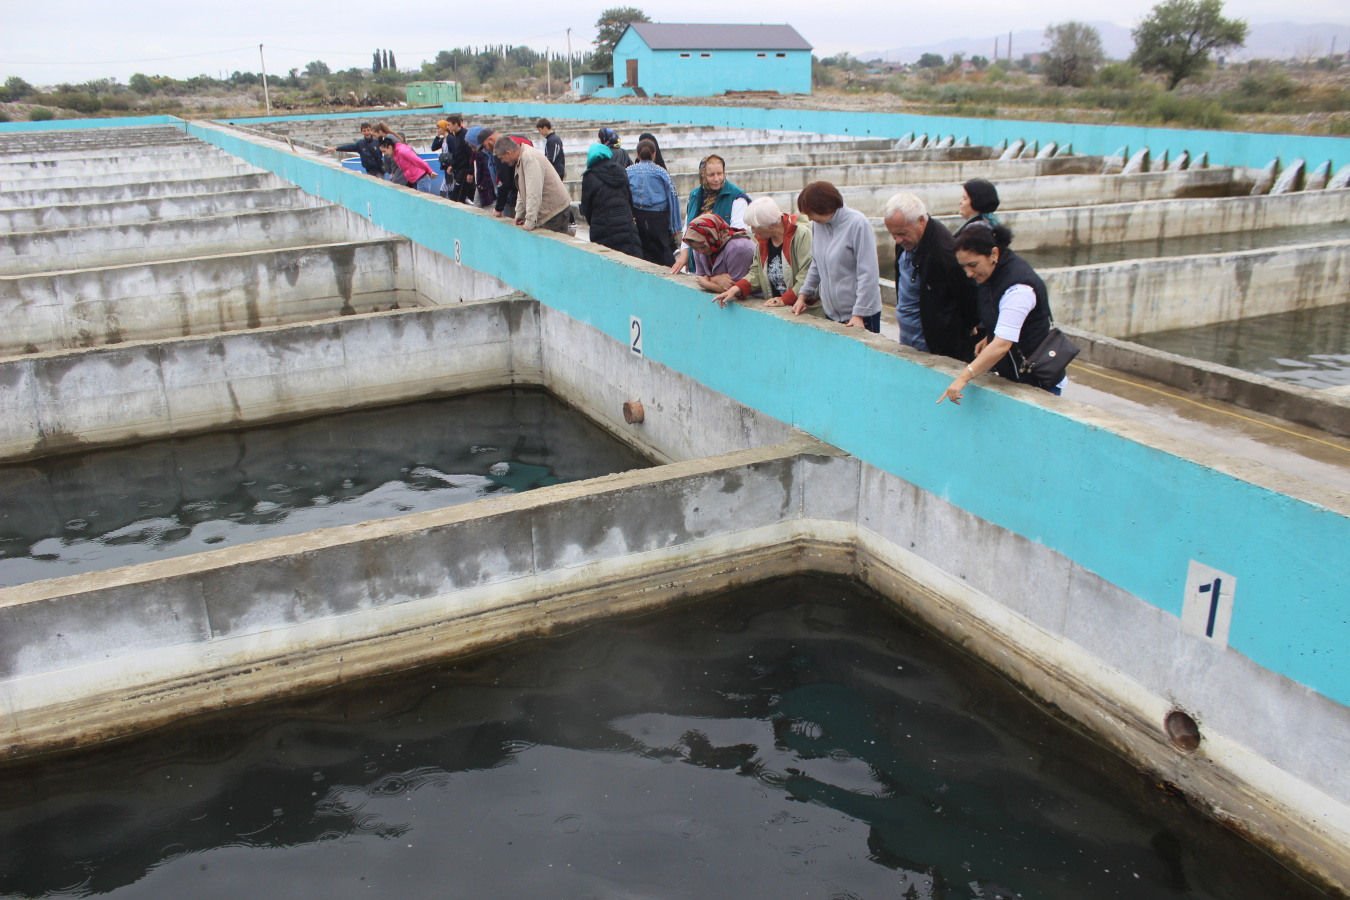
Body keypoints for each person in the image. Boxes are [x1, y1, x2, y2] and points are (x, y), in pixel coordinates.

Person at [939, 223, 1063, 404]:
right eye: (964, 267)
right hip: (1016, 374)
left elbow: (1002, 345)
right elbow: (998, 314)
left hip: (1038, 381)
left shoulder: (1018, 287)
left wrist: (963, 378)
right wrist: (989, 336)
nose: (968, 273)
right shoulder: (991, 274)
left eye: (972, 265)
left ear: (994, 254)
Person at [883, 192, 979, 361]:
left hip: (934, 350)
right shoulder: (907, 242)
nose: (897, 240)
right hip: (909, 342)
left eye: (902, 233)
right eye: (893, 234)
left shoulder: (945, 254)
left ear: (921, 220)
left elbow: (971, 299)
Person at [795, 182, 882, 332]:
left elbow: (868, 273)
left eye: (811, 213)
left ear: (825, 206)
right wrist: (803, 295)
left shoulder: (858, 224)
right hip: (831, 314)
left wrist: (859, 313)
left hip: (860, 316)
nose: (809, 219)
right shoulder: (818, 225)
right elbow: (816, 264)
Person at [712, 197, 812, 310]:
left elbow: (807, 275)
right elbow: (756, 272)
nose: (753, 230)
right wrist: (736, 289)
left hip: (805, 308)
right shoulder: (763, 239)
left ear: (770, 225)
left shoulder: (802, 235)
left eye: (755, 226)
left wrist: (785, 299)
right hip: (778, 307)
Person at [669, 155, 750, 274]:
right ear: (703, 175)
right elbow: (688, 228)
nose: (717, 179)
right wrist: (685, 253)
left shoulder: (736, 198)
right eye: (711, 175)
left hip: (723, 267)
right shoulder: (695, 196)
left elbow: (738, 236)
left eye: (720, 173)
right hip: (696, 265)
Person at [493, 136, 572, 233]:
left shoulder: (529, 158)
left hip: (554, 213)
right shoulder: (521, 157)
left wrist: (530, 221)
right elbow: (523, 190)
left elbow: (533, 191)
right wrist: (519, 215)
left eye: (501, 158)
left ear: (508, 152)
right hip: (549, 211)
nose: (502, 161)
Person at [579, 143, 643, 259]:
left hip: (602, 230)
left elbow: (586, 207)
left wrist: (595, 223)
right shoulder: (621, 171)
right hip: (627, 227)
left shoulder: (589, 176)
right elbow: (629, 200)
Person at [626, 139, 681, 266]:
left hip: (635, 217)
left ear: (638, 155)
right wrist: (675, 227)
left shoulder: (628, 171)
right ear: (654, 154)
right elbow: (673, 196)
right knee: (661, 255)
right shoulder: (662, 172)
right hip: (658, 220)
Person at [683, 213, 755, 293]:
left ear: (712, 236)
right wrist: (716, 279)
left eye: (703, 247)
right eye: (695, 247)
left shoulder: (738, 249)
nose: (701, 251)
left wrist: (707, 283)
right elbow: (700, 277)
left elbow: (737, 291)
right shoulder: (699, 245)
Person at [433, 115, 474, 202]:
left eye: (449, 125)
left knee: (458, 196)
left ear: (456, 124)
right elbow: (456, 154)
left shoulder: (464, 136)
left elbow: (470, 154)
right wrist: (453, 166)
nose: (447, 127)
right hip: (458, 169)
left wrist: (470, 172)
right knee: (464, 195)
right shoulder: (455, 136)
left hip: (464, 170)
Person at [463, 126, 496, 209]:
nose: (473, 149)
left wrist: (484, 182)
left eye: (472, 146)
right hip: (480, 184)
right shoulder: (478, 153)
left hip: (489, 186)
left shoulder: (489, 154)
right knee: (476, 205)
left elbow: (489, 170)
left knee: (490, 206)